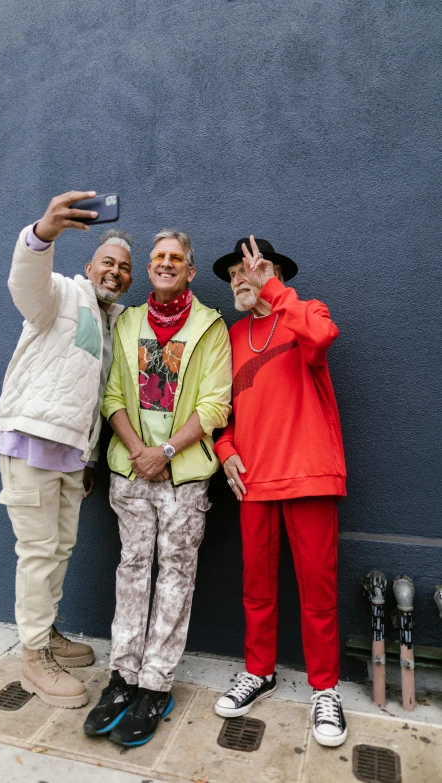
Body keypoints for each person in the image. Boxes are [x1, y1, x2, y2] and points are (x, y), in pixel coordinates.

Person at [83, 229, 232, 746]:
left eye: (176, 259)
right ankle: (122, 677)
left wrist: (166, 452)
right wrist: (140, 452)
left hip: (184, 477)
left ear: (190, 271)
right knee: (131, 571)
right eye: (158, 258)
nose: (165, 264)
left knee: (175, 576)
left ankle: (156, 684)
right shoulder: (126, 322)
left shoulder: (210, 327)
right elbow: (112, 394)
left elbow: (215, 405)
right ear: (149, 269)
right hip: (130, 471)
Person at [0, 190, 133, 708]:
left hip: (73, 457)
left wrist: (89, 456)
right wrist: (42, 234)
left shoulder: (114, 321)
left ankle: (45, 635)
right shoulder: (59, 293)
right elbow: (23, 283)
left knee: (60, 551)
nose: (114, 272)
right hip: (30, 445)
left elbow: (91, 394)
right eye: (107, 263)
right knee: (36, 553)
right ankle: (32, 660)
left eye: (123, 268)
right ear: (89, 266)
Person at [211, 236, 348, 748]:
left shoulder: (306, 311)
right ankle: (258, 671)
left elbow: (321, 338)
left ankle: (324, 689)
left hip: (310, 473)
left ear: (275, 272)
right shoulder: (232, 333)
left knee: (318, 590)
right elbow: (220, 406)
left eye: (250, 270)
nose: (239, 280)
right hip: (254, 481)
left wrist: (272, 287)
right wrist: (226, 450)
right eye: (233, 275)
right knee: (255, 587)